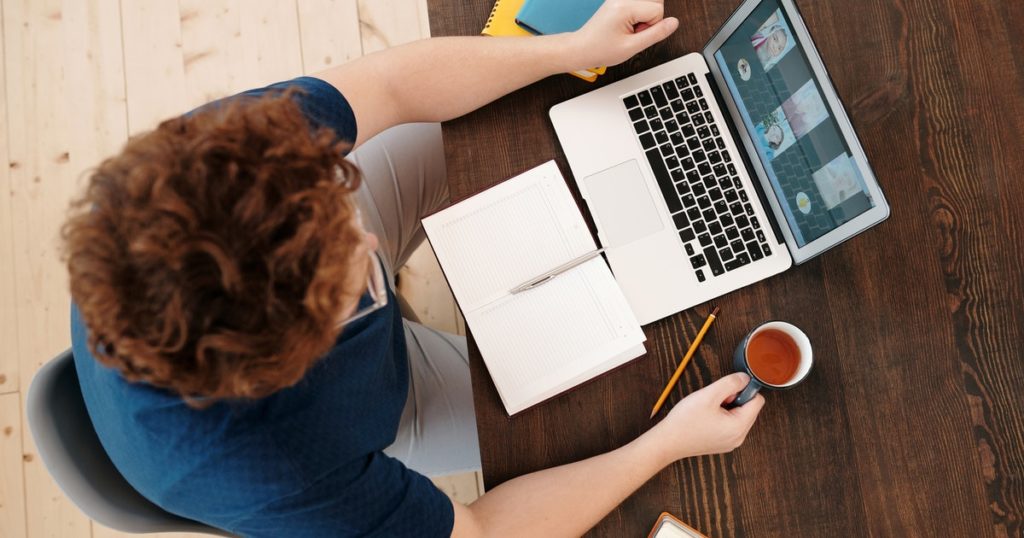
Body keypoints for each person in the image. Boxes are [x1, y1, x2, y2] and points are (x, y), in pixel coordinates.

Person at [61, 1, 765, 536]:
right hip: (368, 415)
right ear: (301, 354)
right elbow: (484, 529)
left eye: (339, 209)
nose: (368, 241)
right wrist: (667, 447)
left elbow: (393, 86)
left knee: (480, 117)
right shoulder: (290, 477)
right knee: (596, 405)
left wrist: (569, 49)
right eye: (354, 282)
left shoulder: (215, 171)